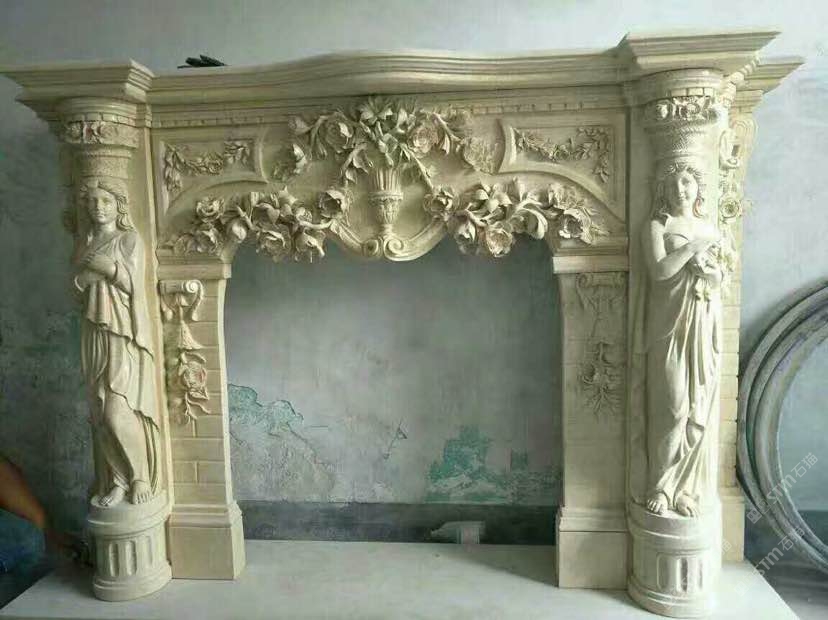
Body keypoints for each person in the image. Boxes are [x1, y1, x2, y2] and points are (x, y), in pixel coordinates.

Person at [641, 163, 722, 517]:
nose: (680, 189)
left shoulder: (710, 228)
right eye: (672, 183)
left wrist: (711, 272)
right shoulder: (657, 226)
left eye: (686, 181)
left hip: (702, 323)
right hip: (668, 326)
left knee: (697, 406)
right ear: (663, 190)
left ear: (698, 187)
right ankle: (660, 485)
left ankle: (686, 489)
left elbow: (719, 280)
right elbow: (659, 271)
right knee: (672, 406)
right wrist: (692, 250)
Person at [73, 181, 160, 508]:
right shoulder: (85, 242)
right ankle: (119, 480)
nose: (99, 206)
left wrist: (106, 268)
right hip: (94, 330)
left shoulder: (128, 239)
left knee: (116, 410)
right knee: (99, 411)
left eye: (106, 200)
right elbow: (76, 287)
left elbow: (135, 284)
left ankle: (140, 476)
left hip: (122, 332)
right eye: (93, 201)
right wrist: (88, 277)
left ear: (118, 205)